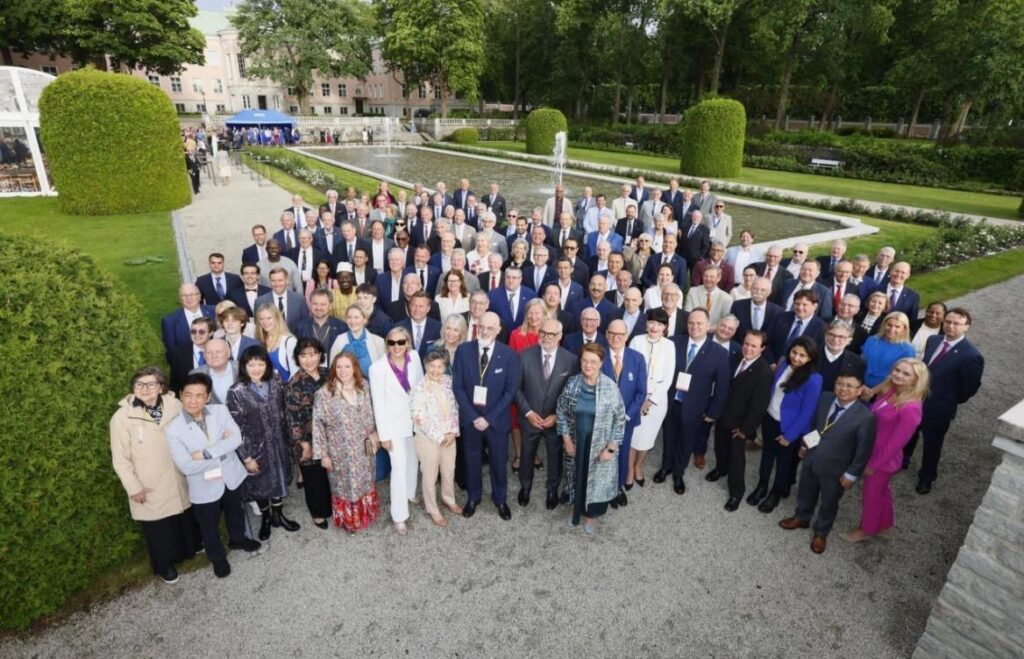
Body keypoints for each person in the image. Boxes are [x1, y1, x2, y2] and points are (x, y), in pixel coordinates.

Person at [166, 373, 261, 578]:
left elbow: (236, 438)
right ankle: (217, 557)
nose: (193, 400)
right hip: (204, 485)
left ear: (208, 397)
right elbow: (187, 466)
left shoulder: (220, 411)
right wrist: (221, 450)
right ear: (180, 396)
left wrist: (206, 454)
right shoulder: (173, 429)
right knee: (208, 526)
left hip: (231, 476)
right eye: (188, 395)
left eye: (199, 396)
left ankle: (238, 539)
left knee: (235, 511)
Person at [110, 367, 199, 584]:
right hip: (149, 481)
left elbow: (190, 430)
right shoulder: (122, 417)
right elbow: (121, 459)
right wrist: (134, 487)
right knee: (158, 527)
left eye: (151, 384)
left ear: (160, 386)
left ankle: (189, 550)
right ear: (133, 389)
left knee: (181, 515)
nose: (146, 389)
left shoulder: (174, 404)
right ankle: (164, 565)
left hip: (177, 472)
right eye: (140, 385)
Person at [778, 371, 877, 555]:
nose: (843, 389)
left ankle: (821, 532)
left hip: (836, 469)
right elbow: (816, 425)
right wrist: (805, 446)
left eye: (849, 385)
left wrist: (852, 474)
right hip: (812, 457)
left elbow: (863, 450)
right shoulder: (825, 397)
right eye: (840, 383)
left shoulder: (865, 417)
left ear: (859, 390)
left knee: (829, 501)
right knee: (805, 490)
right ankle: (802, 517)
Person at [841, 359, 928, 543]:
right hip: (871, 450)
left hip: (882, 460)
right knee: (882, 491)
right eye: (897, 370)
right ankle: (885, 525)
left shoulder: (910, 408)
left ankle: (866, 529)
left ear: (916, 380)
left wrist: (873, 465)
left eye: (906, 374)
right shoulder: (892, 390)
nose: (898, 375)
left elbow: (897, 443)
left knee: (871, 495)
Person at [904, 308, 984, 494]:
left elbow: (969, 388)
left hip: (939, 409)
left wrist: (948, 401)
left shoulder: (971, 355)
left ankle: (926, 477)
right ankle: (904, 460)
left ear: (967, 327)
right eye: (948, 322)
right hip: (916, 400)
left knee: (932, 444)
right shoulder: (934, 340)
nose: (950, 326)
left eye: (957, 323)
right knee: (910, 433)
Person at [452, 312, 521, 521]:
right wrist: (474, 417)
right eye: (481, 326)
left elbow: (510, 391)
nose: (484, 331)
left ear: (499, 330)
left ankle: (500, 499)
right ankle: (473, 497)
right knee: (472, 460)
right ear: (476, 327)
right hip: (471, 420)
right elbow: (458, 387)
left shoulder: (509, 355)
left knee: (499, 462)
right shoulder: (463, 351)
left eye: (490, 328)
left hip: (496, 421)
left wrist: (488, 418)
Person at [227, 345, 299, 540]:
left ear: (266, 365)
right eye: (252, 365)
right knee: (260, 485)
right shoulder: (236, 392)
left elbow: (286, 410)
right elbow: (236, 429)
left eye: (261, 364)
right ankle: (266, 518)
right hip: (255, 450)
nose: (256, 368)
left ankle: (278, 515)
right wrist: (246, 457)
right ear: (244, 366)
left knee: (280, 480)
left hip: (279, 445)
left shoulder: (275, 381)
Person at [655, 308, 731, 491]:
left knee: (686, 441)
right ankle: (666, 467)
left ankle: (679, 473)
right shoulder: (673, 343)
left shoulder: (719, 353)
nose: (694, 326)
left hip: (696, 407)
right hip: (671, 401)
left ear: (707, 325)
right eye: (691, 323)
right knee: (669, 436)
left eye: (699, 323)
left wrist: (714, 412)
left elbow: (722, 386)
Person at [557, 343, 626, 535]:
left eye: (593, 361)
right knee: (575, 477)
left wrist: (611, 448)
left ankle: (590, 516)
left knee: (596, 482)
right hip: (576, 443)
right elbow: (561, 411)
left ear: (601, 363)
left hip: (599, 446)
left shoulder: (610, 388)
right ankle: (575, 511)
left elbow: (620, 420)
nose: (588, 365)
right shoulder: (572, 383)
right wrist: (567, 440)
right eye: (585, 360)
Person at [749, 336, 823, 514]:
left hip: (789, 428)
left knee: (783, 463)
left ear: (810, 358)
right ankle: (762, 485)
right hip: (770, 418)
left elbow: (807, 412)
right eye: (794, 352)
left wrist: (790, 436)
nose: (796, 358)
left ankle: (776, 493)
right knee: (767, 455)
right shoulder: (783, 364)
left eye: (802, 355)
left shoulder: (814, 379)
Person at [312, 352, 381, 533]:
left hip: (364, 448)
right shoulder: (324, 393)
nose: (343, 371)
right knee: (344, 485)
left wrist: (376, 435)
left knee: (366, 481)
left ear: (355, 368)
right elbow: (317, 426)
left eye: (347, 366)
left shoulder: (364, 386)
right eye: (339, 366)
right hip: (339, 451)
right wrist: (323, 455)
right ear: (334, 368)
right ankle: (350, 521)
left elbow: (375, 411)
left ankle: (367, 515)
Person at [707, 330, 774, 511]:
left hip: (740, 425)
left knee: (737, 459)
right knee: (720, 446)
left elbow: (759, 406)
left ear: (762, 348)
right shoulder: (737, 357)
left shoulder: (764, 373)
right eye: (746, 343)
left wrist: (745, 429)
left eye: (753, 346)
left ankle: (736, 493)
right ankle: (721, 469)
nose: (748, 348)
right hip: (724, 416)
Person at [369, 327, 424, 534]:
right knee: (398, 469)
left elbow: (419, 388)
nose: (396, 347)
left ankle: (410, 493)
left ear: (407, 343)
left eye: (401, 342)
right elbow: (378, 403)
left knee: (413, 460)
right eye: (392, 343)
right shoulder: (378, 368)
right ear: (387, 344)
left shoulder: (415, 358)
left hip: (414, 422)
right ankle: (399, 515)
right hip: (393, 427)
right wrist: (384, 435)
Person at [409, 351, 463, 527]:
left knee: (449, 471)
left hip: (449, 434)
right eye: (432, 366)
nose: (435, 370)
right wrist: (440, 437)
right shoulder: (419, 388)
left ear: (445, 367)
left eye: (440, 366)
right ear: (426, 366)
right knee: (430, 476)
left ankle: (449, 499)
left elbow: (455, 407)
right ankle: (432, 509)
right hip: (428, 438)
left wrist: (452, 432)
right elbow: (419, 417)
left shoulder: (449, 382)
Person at [285, 338, 332, 530]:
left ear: (320, 355)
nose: (309, 359)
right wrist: (304, 444)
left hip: (331, 434)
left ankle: (336, 505)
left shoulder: (329, 374)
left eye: (312, 354)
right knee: (314, 478)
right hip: (308, 438)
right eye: (303, 356)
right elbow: (292, 417)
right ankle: (318, 513)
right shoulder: (294, 383)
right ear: (297, 358)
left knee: (332, 474)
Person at [627, 309, 676, 489]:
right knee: (632, 436)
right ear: (646, 323)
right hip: (634, 396)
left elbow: (669, 377)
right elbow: (629, 370)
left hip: (657, 400)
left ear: (665, 327)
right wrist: (639, 399)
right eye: (652, 322)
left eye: (660, 324)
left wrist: (650, 400)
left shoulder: (669, 346)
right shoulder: (636, 341)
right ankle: (629, 469)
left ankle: (639, 465)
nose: (655, 327)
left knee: (647, 438)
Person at [509, 299, 545, 473]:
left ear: (544, 314)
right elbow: (512, 361)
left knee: (536, 419)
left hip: (540, 386)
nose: (533, 316)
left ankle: (533, 453)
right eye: (530, 312)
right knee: (516, 419)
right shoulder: (516, 335)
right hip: (520, 384)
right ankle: (519, 453)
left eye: (537, 312)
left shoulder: (548, 335)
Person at [860, 312, 915, 390]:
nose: (892, 329)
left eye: (897, 327)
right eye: (889, 325)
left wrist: (874, 391)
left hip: (885, 390)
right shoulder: (872, 340)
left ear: (904, 329)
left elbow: (900, 376)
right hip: (861, 385)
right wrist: (860, 385)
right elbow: (861, 363)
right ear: (884, 325)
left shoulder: (907, 350)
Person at [161, 284, 216, 362]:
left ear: (199, 296)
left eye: (192, 294)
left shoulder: (214, 311)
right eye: (184, 295)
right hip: (187, 365)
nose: (189, 298)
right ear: (180, 299)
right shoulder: (170, 322)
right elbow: (171, 351)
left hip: (217, 360)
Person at [254, 303, 298, 382]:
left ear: (277, 318)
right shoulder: (259, 342)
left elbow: (296, 373)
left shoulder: (289, 341)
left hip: (287, 390)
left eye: (269, 318)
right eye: (261, 319)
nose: (265, 322)